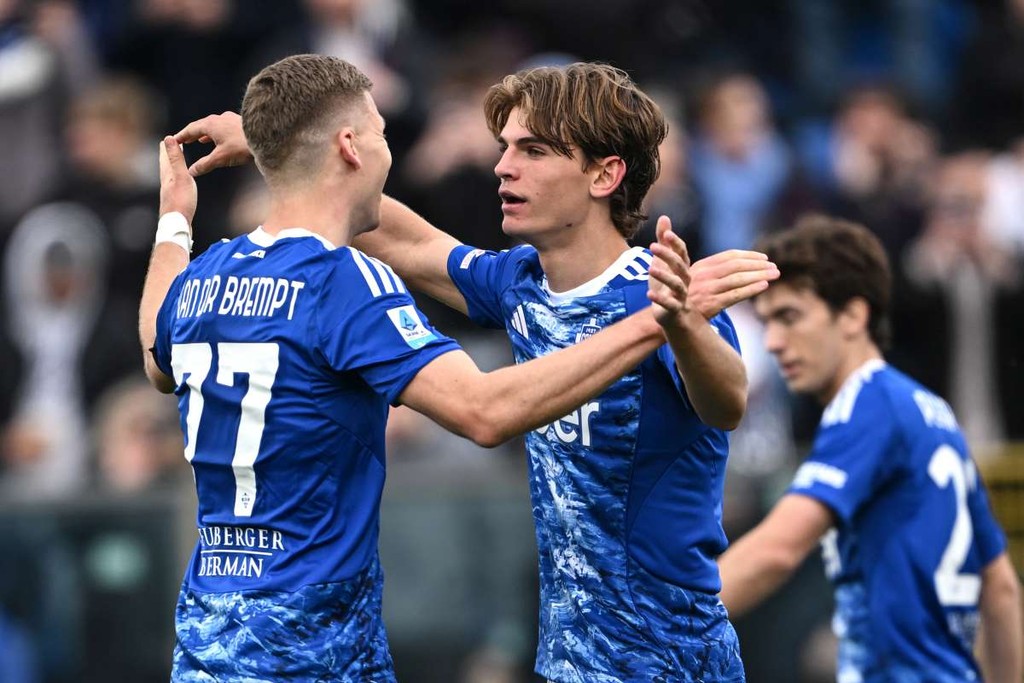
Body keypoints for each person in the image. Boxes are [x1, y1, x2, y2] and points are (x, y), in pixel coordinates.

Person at [141, 54, 744, 682]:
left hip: (670, 657)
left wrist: (679, 322)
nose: (503, 166)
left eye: (534, 150)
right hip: (567, 659)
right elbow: (409, 242)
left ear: (604, 174)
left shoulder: (664, 291)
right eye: (505, 147)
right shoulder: (520, 284)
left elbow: (727, 403)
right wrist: (286, 148)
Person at [716, 215, 1023, 682]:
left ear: (854, 316)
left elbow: (777, 549)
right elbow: (1000, 589)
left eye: (790, 317)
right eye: (767, 323)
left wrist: (662, 625)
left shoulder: (868, 405)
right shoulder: (930, 411)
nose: (774, 342)